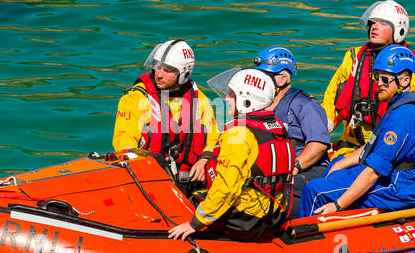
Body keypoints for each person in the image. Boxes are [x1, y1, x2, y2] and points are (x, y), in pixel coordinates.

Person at [320, 0, 415, 179]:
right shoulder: (353, 60)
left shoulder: (409, 69)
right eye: (373, 22)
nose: (374, 27)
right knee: (328, 177)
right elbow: (332, 101)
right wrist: (317, 136)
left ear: (399, 29)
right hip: (351, 146)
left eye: (383, 23)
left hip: (388, 149)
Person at [302, 45, 415, 217]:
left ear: (405, 80)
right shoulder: (401, 105)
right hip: (397, 175)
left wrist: (338, 205)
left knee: (315, 190)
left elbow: (373, 172)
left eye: (385, 80)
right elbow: (371, 147)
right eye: (377, 77)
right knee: (335, 164)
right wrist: (339, 164)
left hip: (401, 188)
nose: (378, 84)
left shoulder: (402, 117)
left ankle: (305, 235)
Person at [168, 69, 294, 241]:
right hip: (275, 216)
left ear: (248, 100)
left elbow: (226, 187)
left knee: (191, 198)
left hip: (244, 221)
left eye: (231, 95)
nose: (226, 98)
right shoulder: (277, 126)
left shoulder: (238, 135)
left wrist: (194, 224)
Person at [113, 39, 219, 183]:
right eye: (157, 66)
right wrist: (145, 164)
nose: (158, 74)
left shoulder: (199, 99)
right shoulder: (135, 99)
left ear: (184, 74)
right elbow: (123, 141)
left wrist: (204, 159)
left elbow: (213, 138)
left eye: (167, 70)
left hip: (188, 179)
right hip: (145, 177)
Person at [253, 45, 331, 215]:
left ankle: (289, 225)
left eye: (263, 76)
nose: (257, 81)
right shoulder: (259, 104)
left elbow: (319, 145)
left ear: (281, 79)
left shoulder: (305, 104)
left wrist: (294, 166)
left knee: (283, 188)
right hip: (274, 166)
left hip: (307, 168)